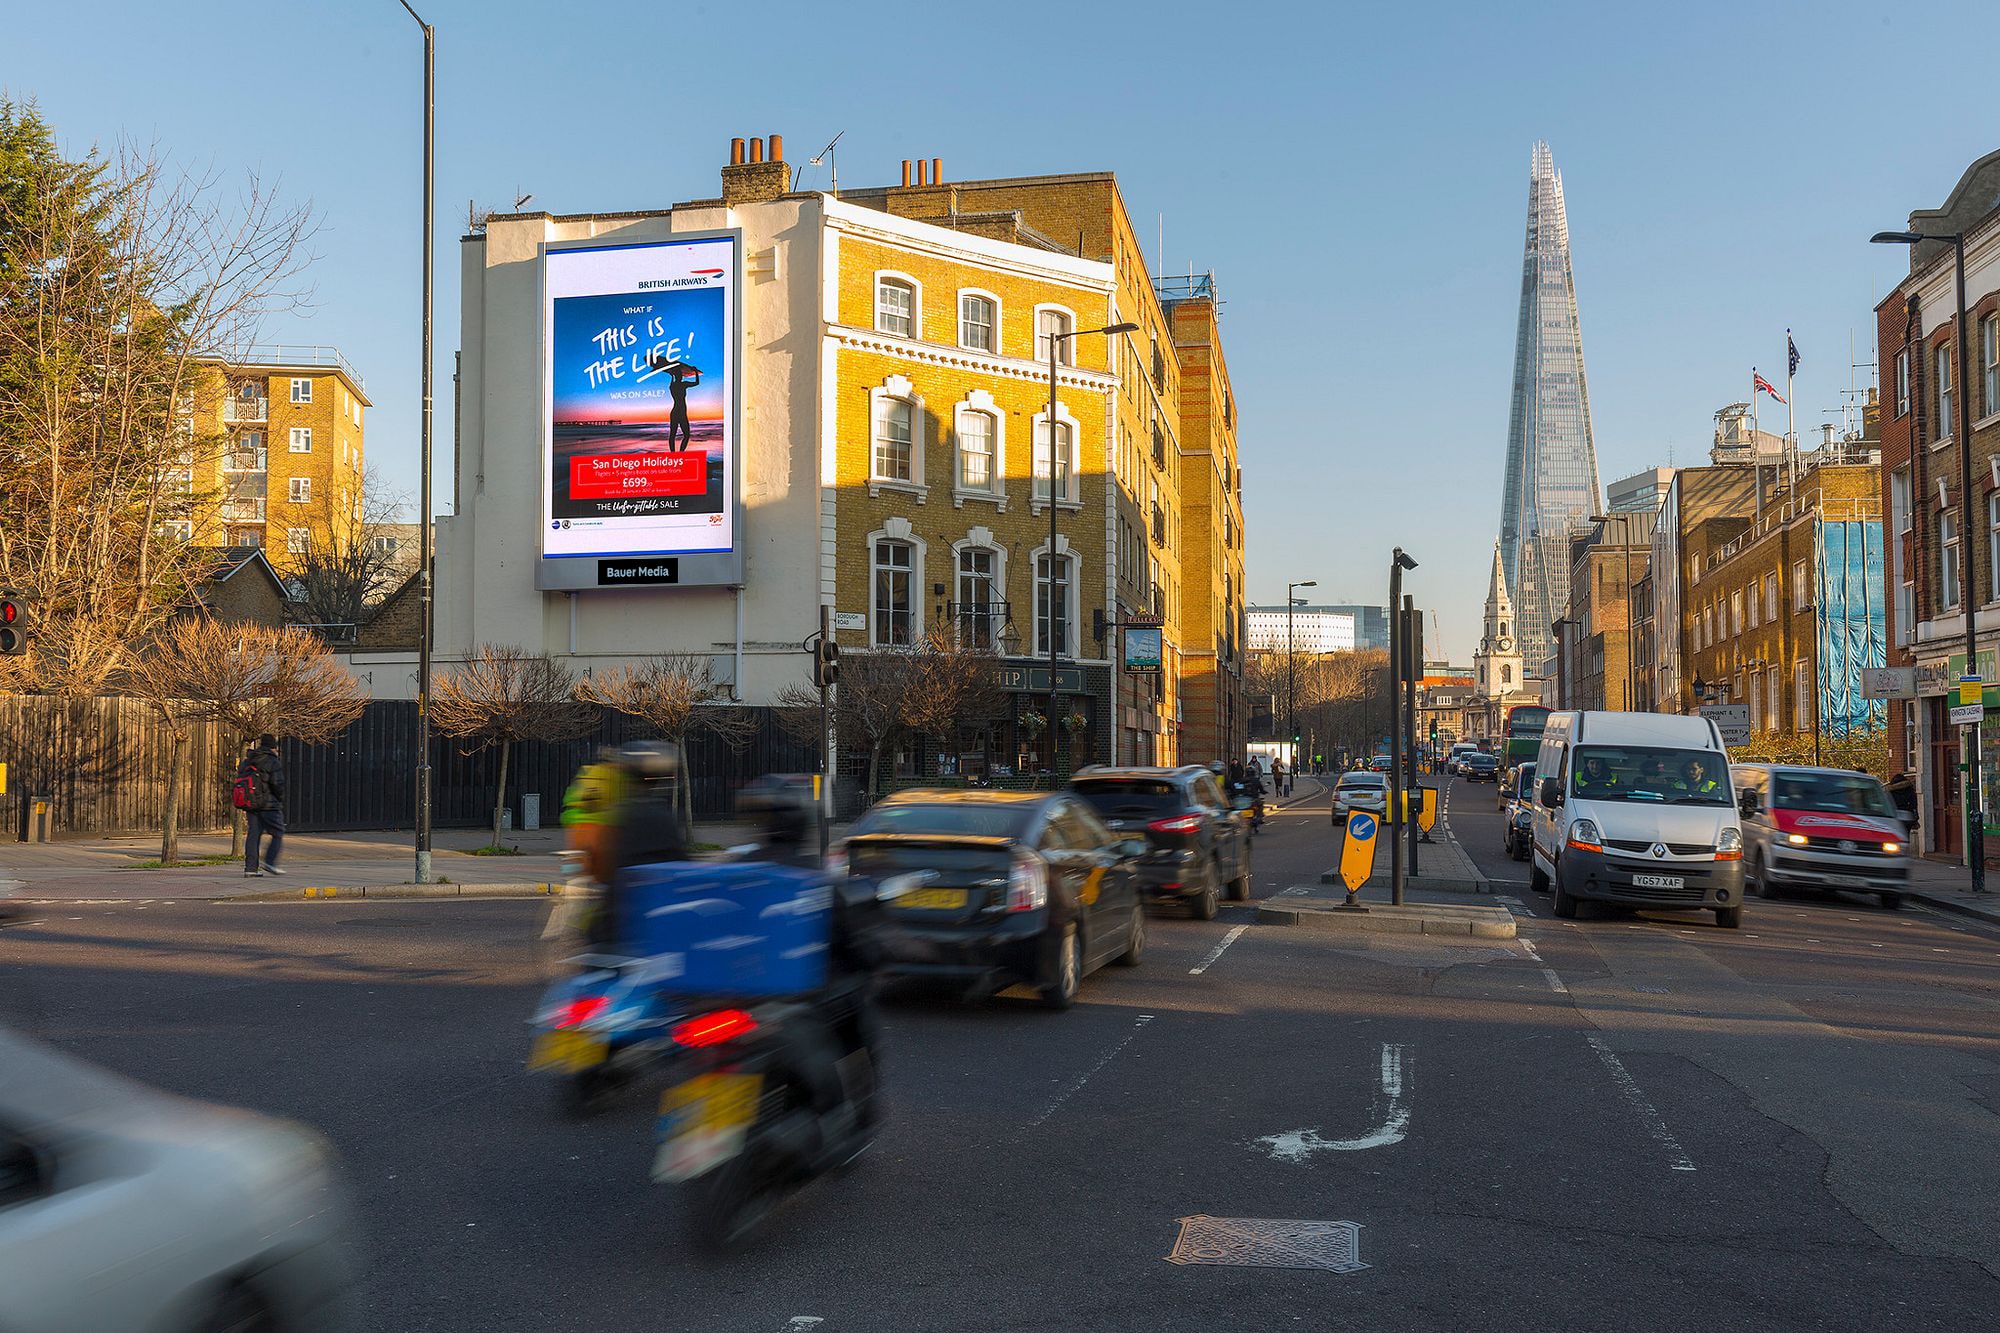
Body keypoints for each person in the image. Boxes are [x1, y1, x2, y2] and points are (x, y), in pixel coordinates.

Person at [238, 734, 287, 877]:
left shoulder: (249, 760)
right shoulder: (272, 761)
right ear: (274, 747)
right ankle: (270, 862)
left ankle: (250, 868)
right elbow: (278, 784)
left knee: (254, 835)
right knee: (278, 832)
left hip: (251, 804)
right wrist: (280, 800)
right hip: (269, 805)